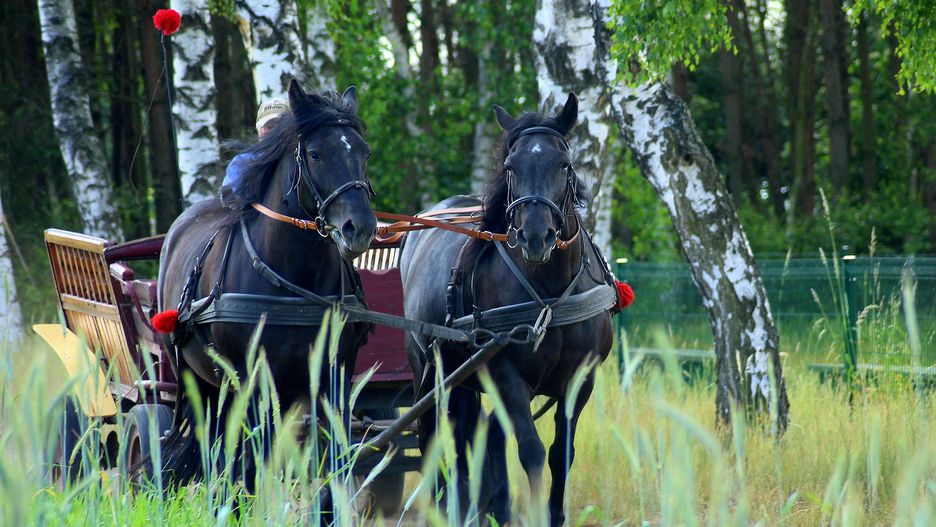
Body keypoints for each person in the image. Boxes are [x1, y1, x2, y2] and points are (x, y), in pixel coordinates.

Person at [220, 98, 288, 205]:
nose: (275, 131)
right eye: (269, 126)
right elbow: (229, 202)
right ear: (259, 130)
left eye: (281, 125)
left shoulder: (303, 160)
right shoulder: (242, 162)